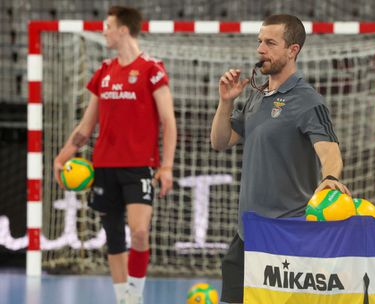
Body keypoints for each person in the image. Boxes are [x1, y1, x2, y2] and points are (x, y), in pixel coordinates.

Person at [210, 14, 350, 304]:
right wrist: (226, 102)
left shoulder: (307, 100)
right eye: (260, 41)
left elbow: (330, 150)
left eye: (270, 43)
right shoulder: (256, 96)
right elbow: (220, 142)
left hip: (289, 234)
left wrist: (331, 178)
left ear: (292, 50)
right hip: (248, 233)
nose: (261, 49)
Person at [53, 6, 176, 304]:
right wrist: (62, 157)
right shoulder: (104, 72)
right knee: (114, 237)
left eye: (107, 26)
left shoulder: (152, 69)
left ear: (122, 30)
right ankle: (123, 298)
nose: (103, 31)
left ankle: (136, 293)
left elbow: (168, 120)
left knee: (140, 233)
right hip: (104, 166)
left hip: (139, 166)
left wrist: (167, 166)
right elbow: (86, 126)